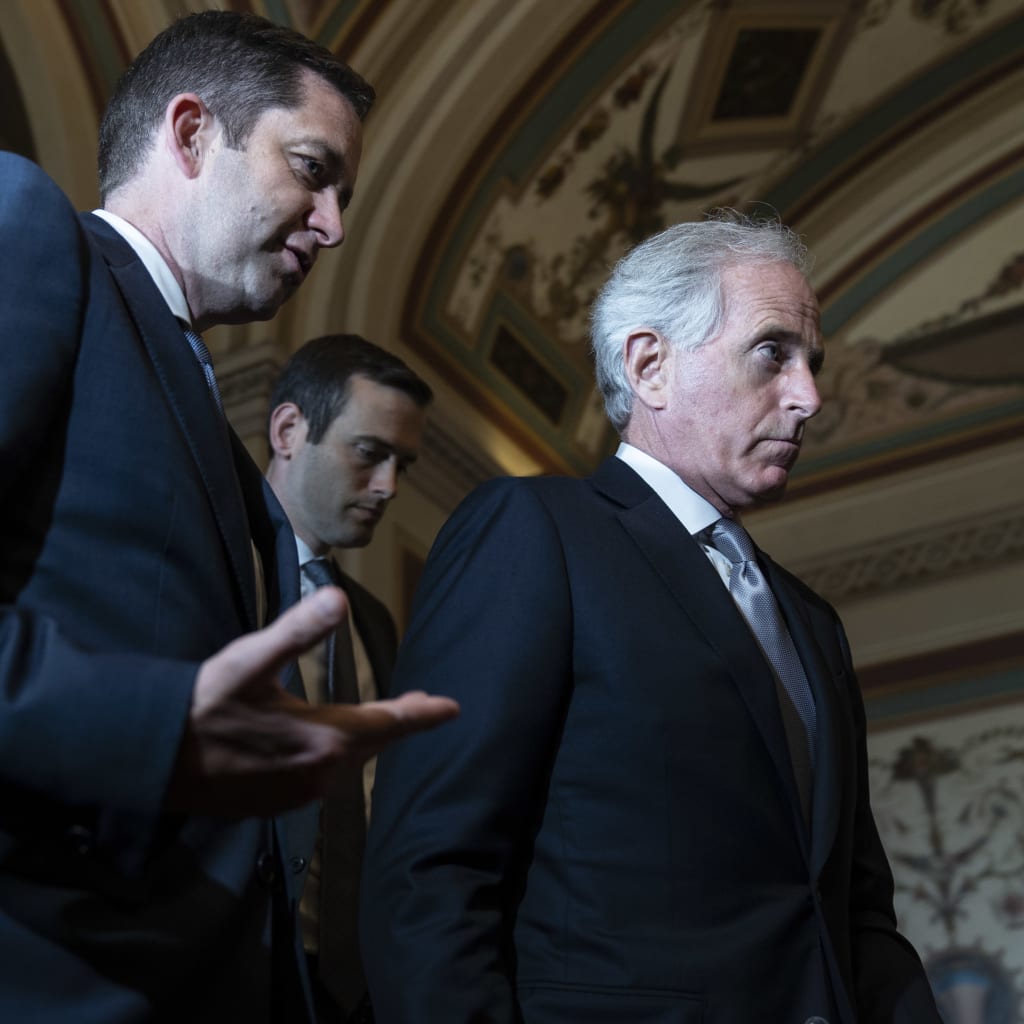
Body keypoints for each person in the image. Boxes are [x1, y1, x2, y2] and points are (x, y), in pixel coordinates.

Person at [359, 214, 943, 1023]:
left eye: (812, 363)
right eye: (772, 353)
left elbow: (856, 912)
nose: (809, 397)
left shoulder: (813, 623)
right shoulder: (537, 531)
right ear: (650, 365)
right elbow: (431, 872)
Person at [0, 11, 455, 1024]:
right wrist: (156, 726)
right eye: (311, 169)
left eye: (345, 196)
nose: (334, 226)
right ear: (193, 132)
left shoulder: (215, 429)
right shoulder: (25, 228)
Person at [265, 334, 432, 1022]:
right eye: (369, 453)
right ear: (288, 431)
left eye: (401, 465)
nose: (388, 486)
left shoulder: (373, 621)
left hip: (355, 985)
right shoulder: (215, 565)